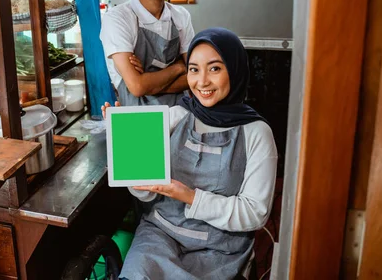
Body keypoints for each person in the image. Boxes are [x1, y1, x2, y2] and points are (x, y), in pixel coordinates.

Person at [102, 28, 278, 280]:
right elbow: (142, 187)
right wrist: (127, 141)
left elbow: (254, 213)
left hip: (219, 248)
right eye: (194, 69)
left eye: (215, 68)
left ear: (236, 70)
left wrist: (191, 197)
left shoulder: (256, 133)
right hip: (160, 237)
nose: (202, 81)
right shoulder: (174, 116)